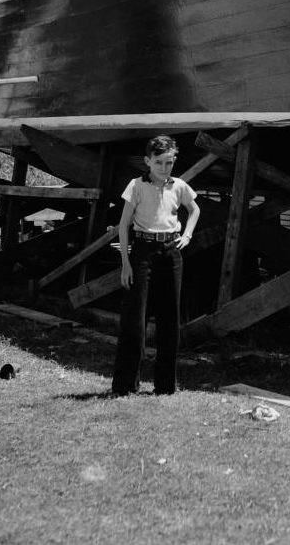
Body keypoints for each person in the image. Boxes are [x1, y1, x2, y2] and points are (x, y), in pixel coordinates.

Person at [111, 134, 199, 396]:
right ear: (147, 161)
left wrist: (187, 235)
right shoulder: (136, 186)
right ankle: (126, 385)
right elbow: (123, 225)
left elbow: (194, 210)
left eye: (169, 163)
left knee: (170, 320)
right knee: (135, 320)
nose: (164, 168)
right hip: (142, 253)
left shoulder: (179, 186)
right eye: (159, 162)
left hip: (171, 253)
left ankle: (165, 387)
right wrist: (125, 263)